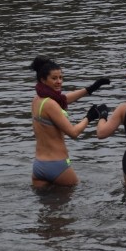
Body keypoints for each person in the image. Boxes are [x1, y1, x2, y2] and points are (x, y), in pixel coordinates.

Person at [29, 56, 111, 187]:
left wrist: (90, 89)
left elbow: (63, 99)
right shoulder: (51, 104)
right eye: (54, 78)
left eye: (61, 77)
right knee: (72, 199)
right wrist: (90, 117)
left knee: (46, 206)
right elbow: (73, 133)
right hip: (57, 165)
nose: (59, 82)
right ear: (43, 80)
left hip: (39, 166)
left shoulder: (37, 100)